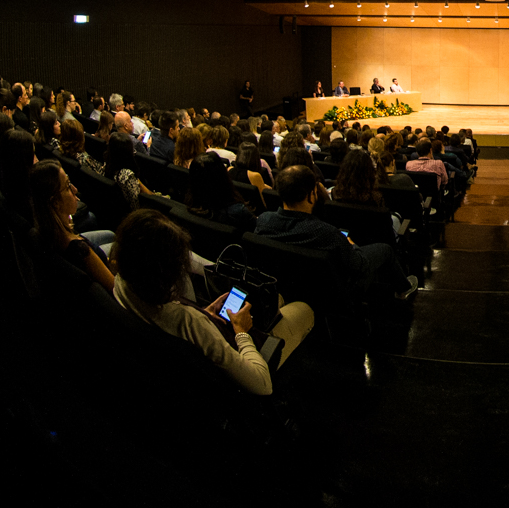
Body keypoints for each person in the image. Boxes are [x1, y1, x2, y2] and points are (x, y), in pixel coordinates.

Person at [113, 209, 313, 396]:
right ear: (169, 270)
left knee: (276, 300)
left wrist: (204, 312)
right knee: (303, 309)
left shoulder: (121, 282)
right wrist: (242, 333)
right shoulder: (190, 323)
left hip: (171, 366)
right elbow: (262, 384)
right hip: (246, 367)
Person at [255, 166, 418, 299]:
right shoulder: (325, 232)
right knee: (385, 249)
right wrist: (352, 245)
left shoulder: (263, 221)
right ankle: (403, 289)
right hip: (336, 290)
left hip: (289, 285)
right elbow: (359, 265)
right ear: (311, 195)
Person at [29, 160, 116, 292]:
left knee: (110, 234)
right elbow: (114, 287)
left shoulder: (44, 227)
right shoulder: (81, 251)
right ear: (55, 202)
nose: (75, 190)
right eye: (68, 186)